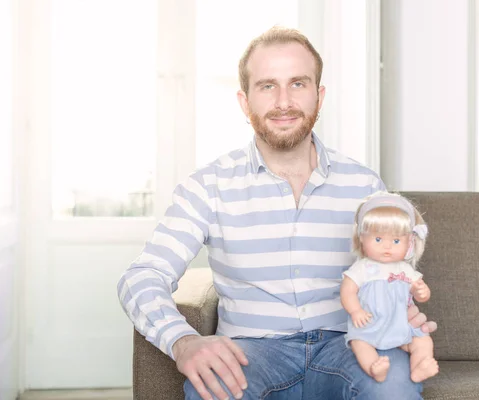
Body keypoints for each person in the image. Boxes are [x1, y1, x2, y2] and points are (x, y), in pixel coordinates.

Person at [117, 26, 436, 400]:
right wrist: (183, 340)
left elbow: (399, 250)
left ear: (319, 95)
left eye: (298, 84)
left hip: (349, 345)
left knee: (394, 386)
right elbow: (143, 275)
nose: (284, 101)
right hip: (252, 353)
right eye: (267, 86)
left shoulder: (364, 185)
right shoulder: (209, 185)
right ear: (244, 101)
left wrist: (399, 307)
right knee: (214, 390)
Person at [341, 192, 439, 384]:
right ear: (362, 238)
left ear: (409, 242)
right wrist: (356, 311)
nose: (387, 247)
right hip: (369, 324)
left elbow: (419, 293)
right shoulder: (363, 267)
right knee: (359, 343)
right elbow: (347, 291)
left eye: (396, 241)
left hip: (399, 324)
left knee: (423, 340)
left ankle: (419, 367)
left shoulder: (404, 269)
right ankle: (375, 368)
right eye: (378, 239)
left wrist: (422, 292)